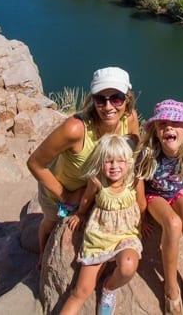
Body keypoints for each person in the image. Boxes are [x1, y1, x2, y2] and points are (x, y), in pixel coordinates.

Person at [27, 66, 140, 265]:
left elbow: (133, 153)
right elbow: (35, 163)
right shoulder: (75, 129)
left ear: (127, 98)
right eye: (100, 99)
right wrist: (66, 196)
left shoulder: (129, 118)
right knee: (51, 222)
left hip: (93, 188)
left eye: (116, 98)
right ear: (93, 99)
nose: (108, 107)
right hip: (61, 189)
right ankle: (42, 255)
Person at [136, 99, 183, 315]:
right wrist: (142, 217)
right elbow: (140, 183)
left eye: (175, 124)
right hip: (154, 195)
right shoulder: (149, 151)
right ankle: (171, 287)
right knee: (173, 224)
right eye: (162, 124)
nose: (169, 127)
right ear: (156, 131)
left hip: (178, 192)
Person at [60, 134, 146, 315]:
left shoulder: (134, 180)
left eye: (120, 161)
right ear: (100, 162)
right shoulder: (97, 180)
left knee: (128, 265)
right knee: (81, 291)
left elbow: (142, 203)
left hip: (126, 236)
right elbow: (86, 199)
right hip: (99, 238)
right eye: (109, 161)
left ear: (129, 162)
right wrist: (81, 214)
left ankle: (109, 288)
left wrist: (143, 222)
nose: (114, 166)